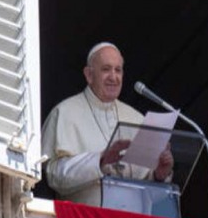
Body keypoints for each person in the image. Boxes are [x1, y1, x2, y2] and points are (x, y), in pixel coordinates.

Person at [42, 42, 174, 206]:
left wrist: (159, 175)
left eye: (118, 70)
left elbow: (149, 191)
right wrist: (100, 161)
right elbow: (53, 176)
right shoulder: (64, 113)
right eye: (106, 69)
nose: (113, 77)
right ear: (89, 75)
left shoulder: (137, 119)